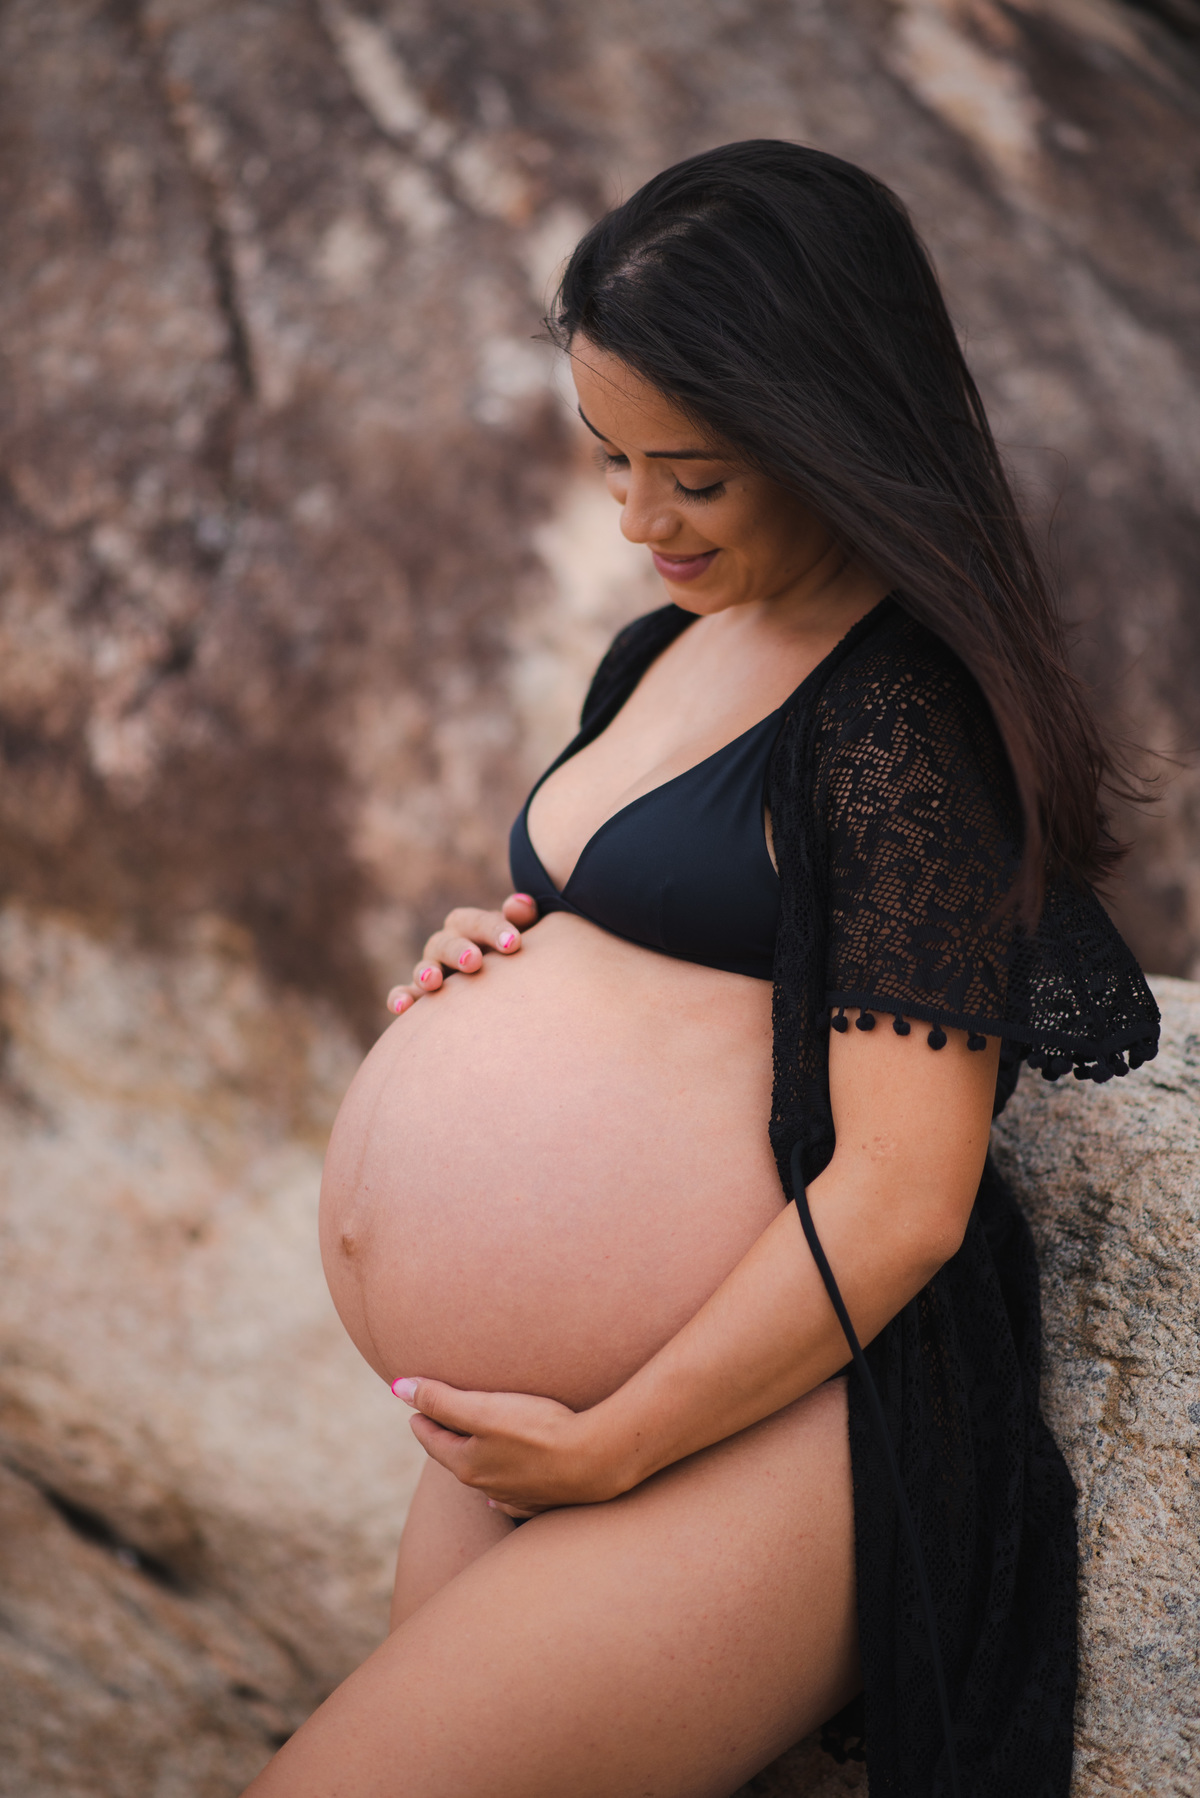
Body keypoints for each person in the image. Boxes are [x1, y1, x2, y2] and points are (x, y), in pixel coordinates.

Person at [244, 141, 1159, 1798]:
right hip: (542, 1418)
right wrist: (506, 946)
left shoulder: (905, 718)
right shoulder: (665, 645)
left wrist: (621, 1439)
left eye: (696, 474)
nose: (637, 516)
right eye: (610, 456)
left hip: (755, 1431)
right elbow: (671, 935)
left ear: (832, 435)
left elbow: (901, 1193)